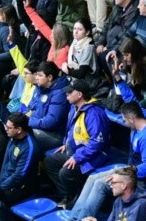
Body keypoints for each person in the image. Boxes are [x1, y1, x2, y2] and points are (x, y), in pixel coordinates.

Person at [72, 102, 146, 220]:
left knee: (100, 184)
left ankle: (83, 218)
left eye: (125, 120)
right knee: (92, 178)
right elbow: (133, 102)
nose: (123, 123)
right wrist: (120, 83)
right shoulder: (138, 123)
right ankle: (74, 217)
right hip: (128, 169)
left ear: (132, 119)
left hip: (140, 178)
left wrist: (124, 173)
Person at [44, 79, 111, 208]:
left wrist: (77, 157)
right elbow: (71, 130)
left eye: (69, 92)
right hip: (77, 150)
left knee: (66, 172)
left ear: (79, 95)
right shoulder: (74, 107)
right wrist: (66, 143)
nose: (66, 95)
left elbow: (97, 143)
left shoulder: (94, 113)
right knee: (50, 161)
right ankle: (68, 196)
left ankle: (79, 201)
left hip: (95, 155)